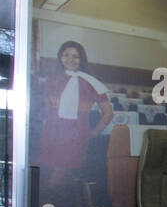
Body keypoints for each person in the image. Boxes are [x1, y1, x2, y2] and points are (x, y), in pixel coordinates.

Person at [38, 40, 112, 190]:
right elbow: (46, 107)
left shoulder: (91, 82)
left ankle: (50, 197)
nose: (70, 59)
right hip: (52, 131)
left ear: (82, 59)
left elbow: (108, 113)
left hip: (75, 134)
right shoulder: (51, 80)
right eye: (66, 55)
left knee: (60, 171)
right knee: (50, 169)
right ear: (60, 57)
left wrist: (95, 131)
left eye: (75, 56)